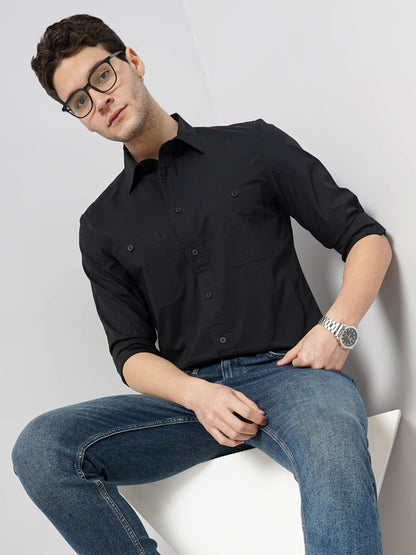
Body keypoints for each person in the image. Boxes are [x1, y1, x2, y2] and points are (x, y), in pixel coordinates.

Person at [12, 13, 392, 555]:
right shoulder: (100, 226)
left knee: (334, 440)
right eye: (79, 101)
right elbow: (131, 354)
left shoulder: (254, 146)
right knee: (41, 448)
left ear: (133, 61)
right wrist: (199, 396)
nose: (100, 100)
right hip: (190, 404)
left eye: (102, 76)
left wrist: (339, 328)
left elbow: (365, 238)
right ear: (80, 119)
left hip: (294, 378)